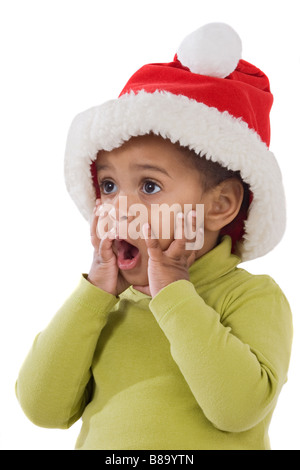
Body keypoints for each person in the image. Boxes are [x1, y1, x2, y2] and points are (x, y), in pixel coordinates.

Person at [16, 23, 293, 450]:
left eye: (149, 186)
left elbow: (238, 409)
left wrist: (176, 294)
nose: (119, 207)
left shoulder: (250, 297)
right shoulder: (105, 307)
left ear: (220, 206)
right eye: (108, 186)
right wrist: (92, 295)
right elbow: (42, 409)